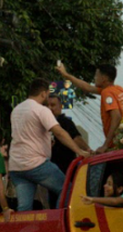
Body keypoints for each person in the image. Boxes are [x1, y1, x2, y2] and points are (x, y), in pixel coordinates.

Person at [9, 78, 91, 212]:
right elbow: (59, 132)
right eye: (47, 93)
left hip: (16, 167)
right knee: (67, 189)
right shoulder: (41, 110)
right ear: (42, 93)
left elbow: (27, 134)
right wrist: (79, 151)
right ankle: (57, 222)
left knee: (24, 207)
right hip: (36, 164)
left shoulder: (16, 110)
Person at [56, 63, 123, 153]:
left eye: (97, 75)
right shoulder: (118, 89)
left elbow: (116, 117)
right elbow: (86, 87)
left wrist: (105, 145)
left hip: (116, 144)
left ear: (104, 78)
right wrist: (66, 75)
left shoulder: (107, 93)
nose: (95, 78)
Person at [47, 94, 91, 176]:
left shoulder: (65, 122)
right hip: (49, 168)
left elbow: (76, 138)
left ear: (60, 106)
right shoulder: (42, 124)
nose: (50, 108)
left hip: (66, 167)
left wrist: (88, 150)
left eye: (53, 105)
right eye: (47, 106)